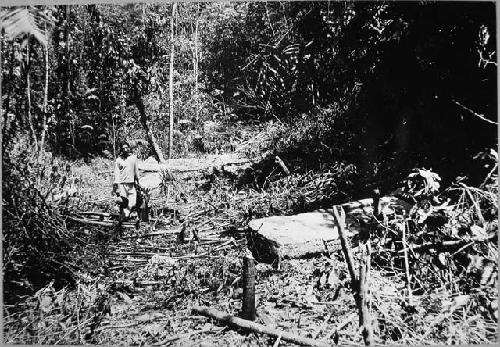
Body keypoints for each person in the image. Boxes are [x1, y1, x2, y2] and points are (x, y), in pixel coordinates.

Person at [113, 142, 140, 219]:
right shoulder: (118, 160)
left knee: (133, 201)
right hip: (122, 184)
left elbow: (136, 171)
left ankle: (126, 214)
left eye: (126, 148)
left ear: (129, 148)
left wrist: (138, 182)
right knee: (123, 202)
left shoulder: (133, 158)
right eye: (123, 148)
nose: (125, 149)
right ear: (121, 149)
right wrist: (116, 186)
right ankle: (122, 219)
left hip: (131, 184)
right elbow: (117, 174)